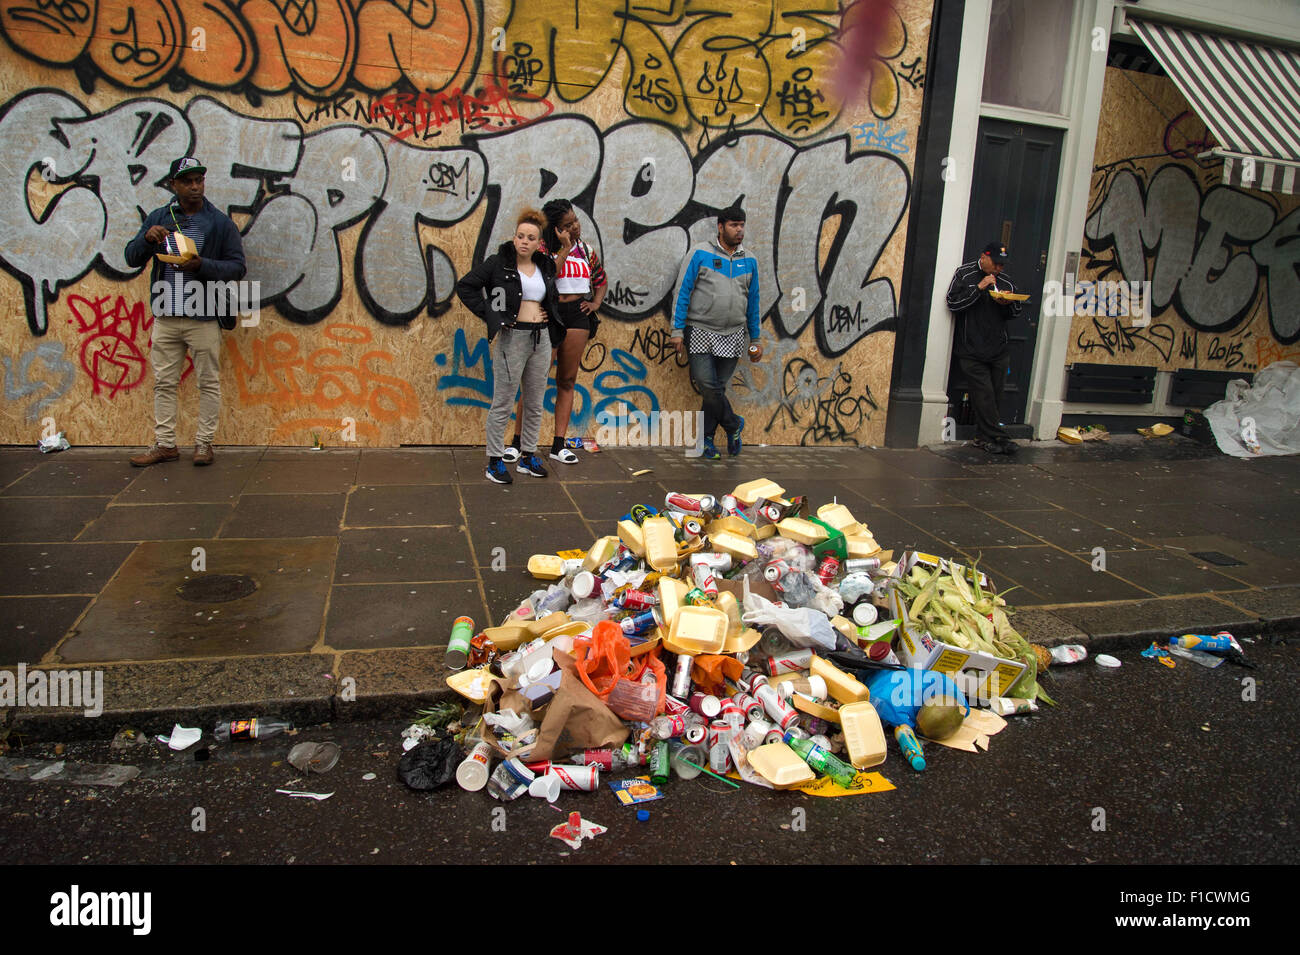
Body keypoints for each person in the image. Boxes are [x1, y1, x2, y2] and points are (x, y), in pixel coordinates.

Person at [124, 156, 246, 467]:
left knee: (208, 381)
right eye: (187, 181)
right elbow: (131, 257)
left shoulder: (218, 223)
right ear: (173, 185)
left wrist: (201, 265)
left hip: (202, 316)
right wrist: (147, 240)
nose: (195, 187)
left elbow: (237, 267)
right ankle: (165, 444)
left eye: (199, 180)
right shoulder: (159, 217)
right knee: (164, 382)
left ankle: (204, 444)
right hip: (166, 315)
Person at [455, 209, 565, 484]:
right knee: (503, 401)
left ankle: (528, 456)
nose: (524, 242)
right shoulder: (498, 264)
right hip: (512, 338)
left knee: (535, 401)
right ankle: (494, 461)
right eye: (520, 236)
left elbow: (549, 297)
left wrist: (549, 316)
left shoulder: (545, 266)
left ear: (539, 242)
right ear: (514, 238)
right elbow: (466, 287)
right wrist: (493, 314)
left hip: (540, 338)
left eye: (531, 237)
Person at [503, 199, 607, 465]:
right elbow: (549, 277)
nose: (575, 227)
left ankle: (558, 445)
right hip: (549, 315)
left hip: (577, 316)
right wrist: (564, 248)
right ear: (555, 229)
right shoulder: (542, 250)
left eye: (575, 221)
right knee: (534, 381)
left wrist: (594, 302)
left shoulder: (586, 251)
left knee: (567, 380)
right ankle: (518, 442)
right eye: (567, 225)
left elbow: (600, 280)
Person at [669, 205, 762, 459]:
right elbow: (682, 291)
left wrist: (756, 339)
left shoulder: (750, 260)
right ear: (720, 227)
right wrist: (677, 330)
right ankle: (733, 424)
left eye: (742, 225)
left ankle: (707, 441)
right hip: (699, 329)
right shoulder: (700, 253)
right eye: (734, 225)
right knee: (708, 386)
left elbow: (753, 302)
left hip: (733, 333)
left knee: (717, 389)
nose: (739, 229)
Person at [946, 240, 1024, 454]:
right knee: (984, 395)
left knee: (995, 396)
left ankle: (983, 438)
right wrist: (978, 289)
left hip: (998, 348)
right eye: (996, 264)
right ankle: (1000, 437)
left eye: (1003, 265)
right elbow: (953, 303)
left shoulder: (1005, 280)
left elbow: (1016, 312)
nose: (999, 268)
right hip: (971, 348)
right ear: (984, 257)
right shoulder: (965, 274)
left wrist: (1008, 303)